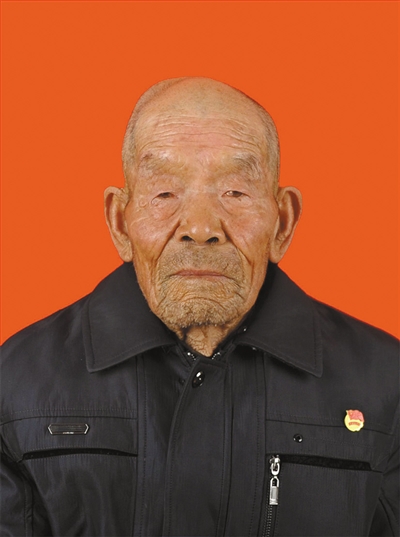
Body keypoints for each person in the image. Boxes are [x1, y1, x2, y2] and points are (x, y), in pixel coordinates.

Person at [1, 77, 398, 537]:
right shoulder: (18, 383)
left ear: (283, 223)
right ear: (120, 223)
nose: (201, 227)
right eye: (165, 193)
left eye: (236, 192)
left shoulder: (385, 382)